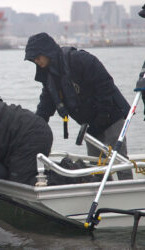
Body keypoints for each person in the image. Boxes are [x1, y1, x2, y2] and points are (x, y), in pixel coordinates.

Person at [24, 32, 132, 180]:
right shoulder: (48, 76)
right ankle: (104, 196)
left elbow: (105, 83)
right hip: (91, 124)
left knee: (119, 160)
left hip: (112, 115)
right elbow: (46, 105)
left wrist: (104, 113)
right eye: (33, 60)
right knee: (96, 167)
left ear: (47, 52)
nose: (36, 62)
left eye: (37, 57)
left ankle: (128, 192)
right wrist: (36, 125)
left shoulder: (79, 59)